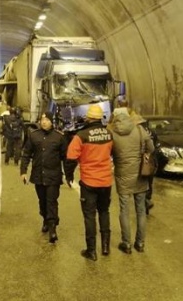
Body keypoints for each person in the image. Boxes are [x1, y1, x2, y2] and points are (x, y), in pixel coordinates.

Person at [65, 104, 113, 261]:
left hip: (89, 182)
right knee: (104, 212)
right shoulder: (108, 134)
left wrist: (69, 176)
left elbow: (71, 158)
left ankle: (91, 250)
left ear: (88, 118)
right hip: (106, 181)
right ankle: (106, 247)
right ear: (100, 118)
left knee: (89, 216)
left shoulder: (81, 135)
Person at [20, 112, 68, 243]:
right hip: (38, 176)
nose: (44, 122)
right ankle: (45, 220)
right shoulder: (34, 136)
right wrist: (23, 171)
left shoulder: (59, 137)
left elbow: (66, 158)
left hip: (53, 176)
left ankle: (53, 228)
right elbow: (26, 154)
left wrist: (68, 175)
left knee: (51, 201)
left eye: (47, 120)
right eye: (42, 120)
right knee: (42, 201)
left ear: (52, 121)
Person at [110, 113, 154, 254]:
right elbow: (151, 148)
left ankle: (126, 243)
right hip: (140, 173)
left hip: (122, 173)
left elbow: (108, 152)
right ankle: (140, 243)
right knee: (140, 210)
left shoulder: (112, 132)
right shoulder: (140, 130)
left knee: (124, 210)